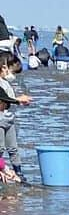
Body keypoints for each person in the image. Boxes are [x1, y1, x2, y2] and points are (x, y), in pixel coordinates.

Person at [0, 51, 32, 180]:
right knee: (0, 147)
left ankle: (18, 171)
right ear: (4, 67)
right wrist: (17, 100)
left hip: (9, 119)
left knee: (13, 147)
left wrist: (20, 101)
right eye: (12, 71)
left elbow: (9, 99)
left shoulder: (6, 82)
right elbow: (2, 97)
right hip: (0, 119)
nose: (12, 75)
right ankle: (3, 170)